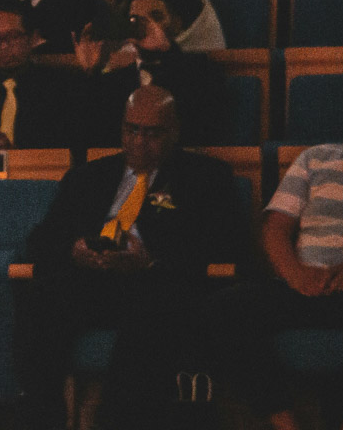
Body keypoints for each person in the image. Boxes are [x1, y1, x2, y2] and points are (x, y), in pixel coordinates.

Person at [18, 86, 247, 430]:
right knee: (39, 300)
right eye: (131, 130)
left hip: (157, 281)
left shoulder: (207, 177)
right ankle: (42, 420)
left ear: (175, 131)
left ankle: (116, 422)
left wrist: (151, 261)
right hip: (91, 278)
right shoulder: (88, 176)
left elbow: (226, 247)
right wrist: (75, 249)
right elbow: (41, 240)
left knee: (154, 309)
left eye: (152, 133)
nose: (139, 141)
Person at [208, 134, 343, 430]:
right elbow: (275, 229)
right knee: (223, 309)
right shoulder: (315, 158)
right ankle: (284, 421)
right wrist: (295, 273)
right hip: (303, 281)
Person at [76, 0, 232, 148]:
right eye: (136, 20)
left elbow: (201, 131)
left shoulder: (201, 71)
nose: (147, 26)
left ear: (176, 24)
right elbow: (91, 135)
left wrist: (166, 53)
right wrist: (90, 74)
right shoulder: (115, 79)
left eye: (156, 17)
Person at [0, 8, 87, 148]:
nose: (3, 45)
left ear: (32, 38)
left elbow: (67, 142)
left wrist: (14, 151)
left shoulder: (60, 86)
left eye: (13, 37)